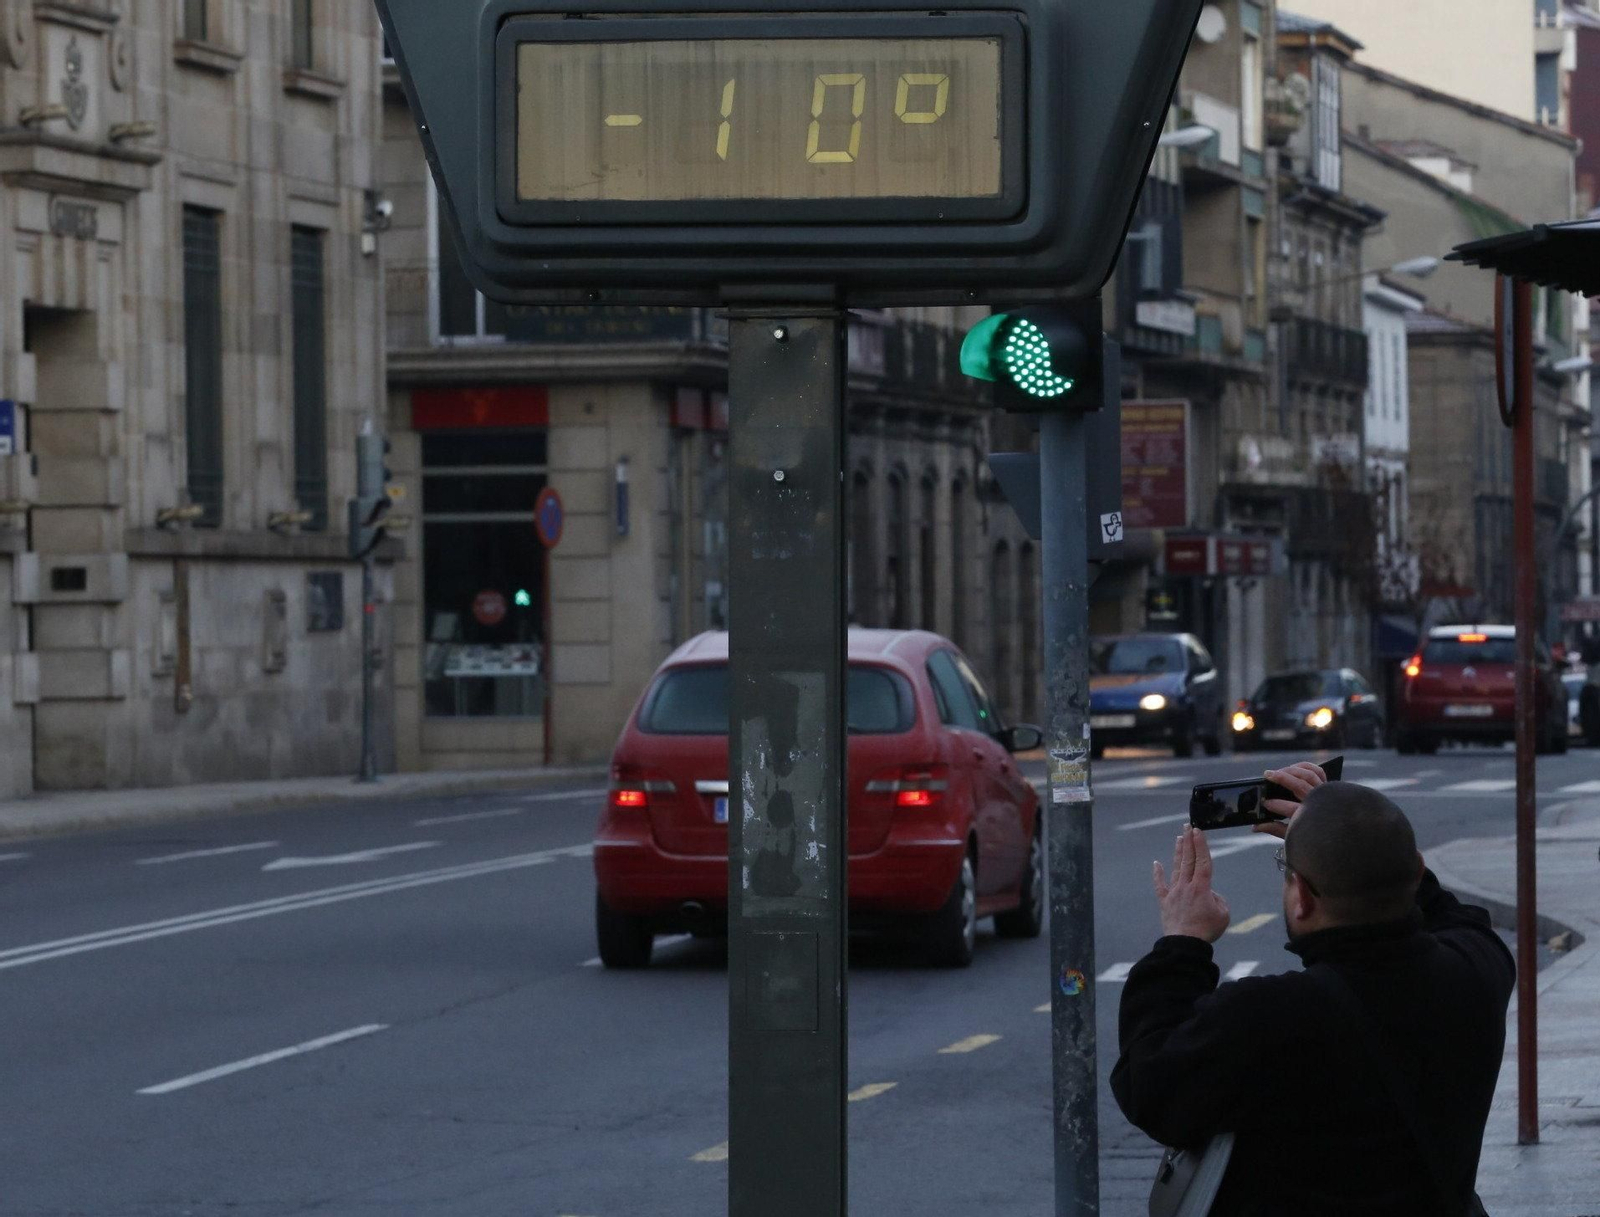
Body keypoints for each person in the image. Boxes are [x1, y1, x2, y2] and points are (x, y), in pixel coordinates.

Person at [1111, 761, 1514, 1215]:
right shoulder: (1479, 968)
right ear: (1417, 872)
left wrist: (1183, 942)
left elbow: (1148, 1085)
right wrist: (1343, 828)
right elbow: (1456, 916)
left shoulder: (1270, 1017)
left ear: (1301, 896)